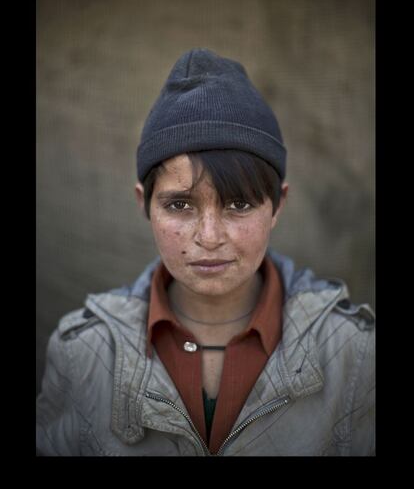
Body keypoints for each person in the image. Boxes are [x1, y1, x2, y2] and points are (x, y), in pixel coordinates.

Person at [36, 48, 375, 456]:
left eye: (240, 204)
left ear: (278, 206)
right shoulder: (83, 353)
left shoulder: (352, 354)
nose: (210, 236)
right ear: (144, 204)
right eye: (180, 205)